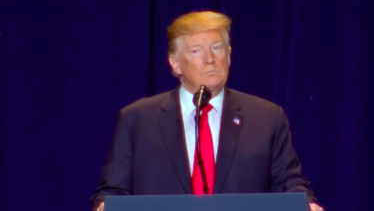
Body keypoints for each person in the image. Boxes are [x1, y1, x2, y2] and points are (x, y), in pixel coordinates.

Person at [90, 11, 323, 211]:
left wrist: (306, 204)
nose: (210, 59)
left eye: (216, 48)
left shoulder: (267, 117)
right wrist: (105, 206)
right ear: (175, 63)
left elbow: (290, 185)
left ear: (229, 55)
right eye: (196, 51)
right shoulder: (138, 119)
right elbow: (113, 192)